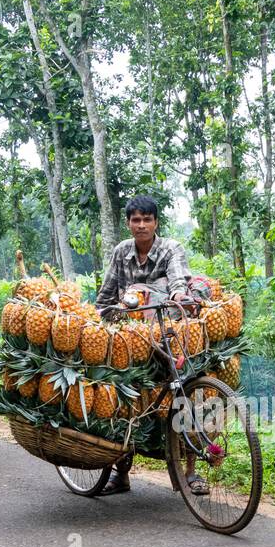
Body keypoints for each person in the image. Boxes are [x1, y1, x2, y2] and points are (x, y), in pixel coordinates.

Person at [94, 196, 198, 497]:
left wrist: (178, 296)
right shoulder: (120, 252)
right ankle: (120, 473)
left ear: (156, 223)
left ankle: (191, 471)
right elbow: (105, 296)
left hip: (167, 333)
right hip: (130, 339)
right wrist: (100, 316)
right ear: (128, 223)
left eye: (147, 219)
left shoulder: (170, 248)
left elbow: (179, 281)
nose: (141, 225)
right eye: (136, 220)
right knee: (121, 398)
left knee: (188, 392)